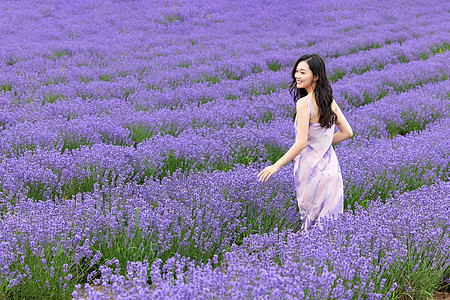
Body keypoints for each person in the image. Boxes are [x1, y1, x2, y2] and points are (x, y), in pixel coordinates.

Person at [257, 54, 353, 232]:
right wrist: (322, 143)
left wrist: (276, 165)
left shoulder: (304, 103)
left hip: (311, 171)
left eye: (302, 72)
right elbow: (348, 132)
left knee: (311, 225)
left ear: (315, 76)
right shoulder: (330, 102)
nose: (297, 76)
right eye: (296, 72)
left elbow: (301, 143)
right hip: (331, 172)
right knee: (331, 227)